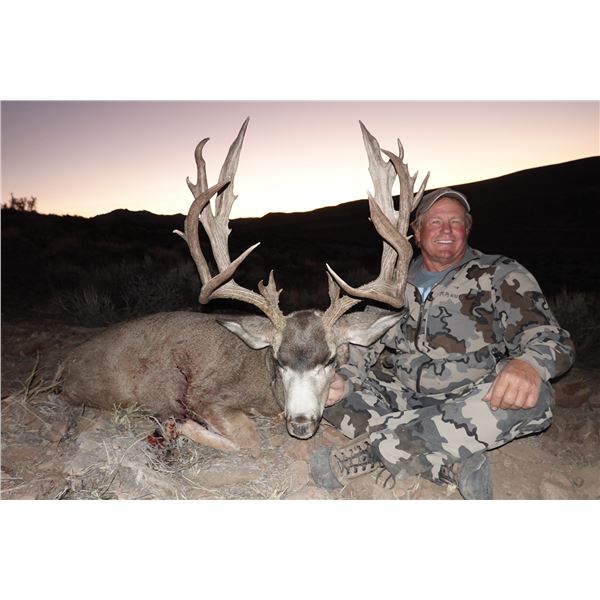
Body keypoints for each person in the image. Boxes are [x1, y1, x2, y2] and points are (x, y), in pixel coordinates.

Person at [310, 187, 576, 499]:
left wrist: (528, 364)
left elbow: (551, 338)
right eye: (436, 222)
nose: (447, 230)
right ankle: (444, 464)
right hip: (401, 394)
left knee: (536, 395)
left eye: (456, 222)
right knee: (321, 387)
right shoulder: (392, 283)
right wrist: (344, 379)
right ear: (417, 232)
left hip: (471, 398)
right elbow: (362, 346)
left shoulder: (500, 273)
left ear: (467, 229)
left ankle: (376, 449)